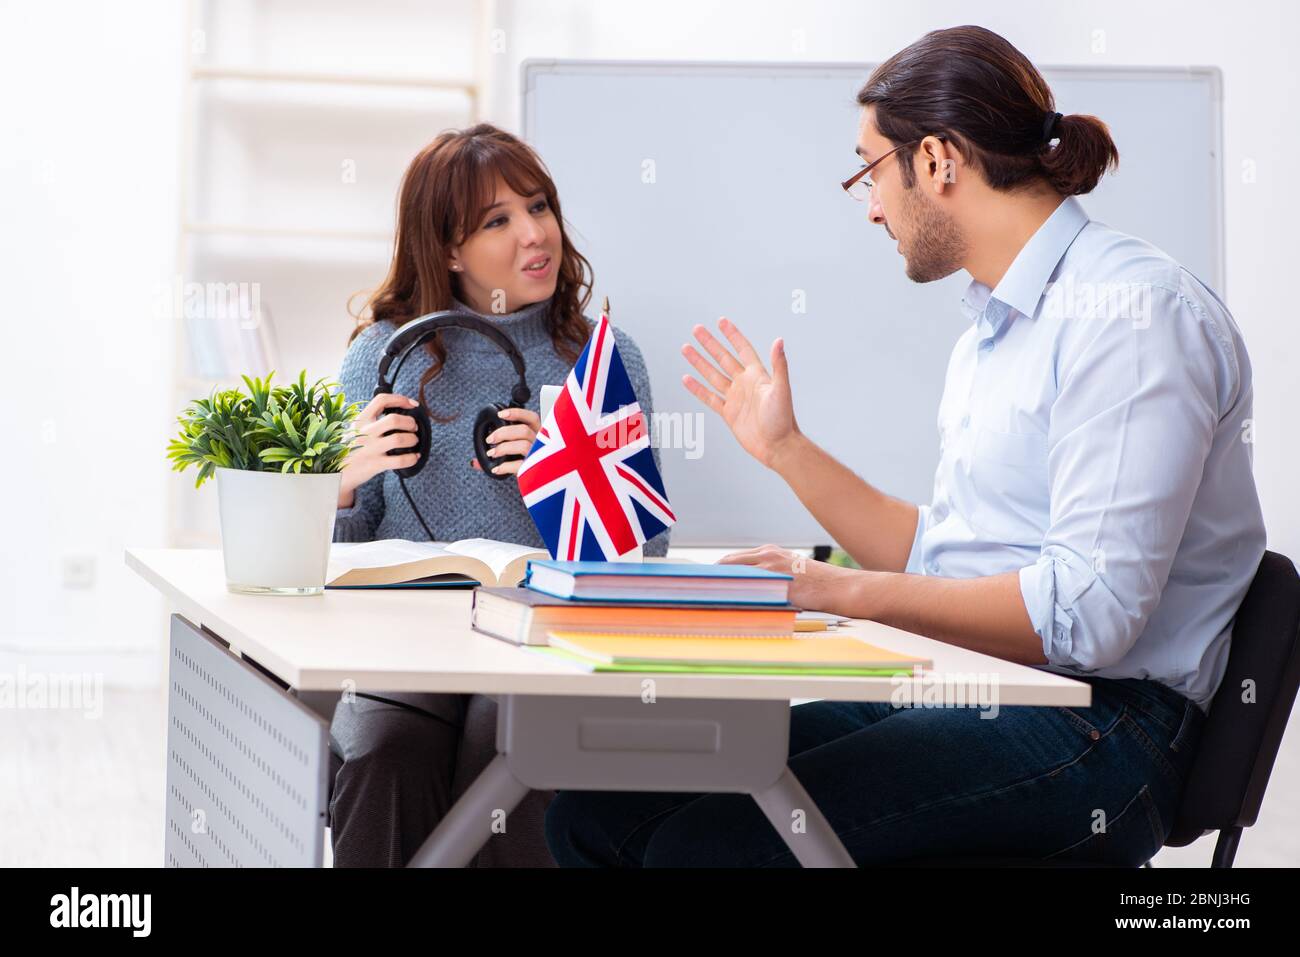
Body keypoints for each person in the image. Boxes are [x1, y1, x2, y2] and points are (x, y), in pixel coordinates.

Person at [544, 25, 1265, 867]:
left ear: (937, 160)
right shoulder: (993, 331)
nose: (873, 205)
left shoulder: (1133, 317)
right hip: (988, 689)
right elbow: (946, 558)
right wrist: (785, 449)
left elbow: (1087, 615)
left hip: (1107, 725)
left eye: (869, 171)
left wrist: (832, 589)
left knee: (711, 848)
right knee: (596, 813)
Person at [327, 123, 669, 867]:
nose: (534, 235)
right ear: (449, 249)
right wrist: (340, 489)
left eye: (538, 207)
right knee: (380, 749)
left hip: (544, 644)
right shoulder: (380, 358)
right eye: (498, 221)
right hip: (410, 644)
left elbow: (644, 559)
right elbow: (336, 560)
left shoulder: (605, 359)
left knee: (507, 750)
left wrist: (565, 471)